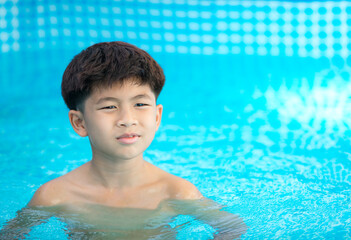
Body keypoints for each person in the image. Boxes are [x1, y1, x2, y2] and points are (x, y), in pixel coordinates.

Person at [1, 41, 246, 239]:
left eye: (140, 104)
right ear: (79, 123)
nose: (127, 119)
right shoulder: (56, 195)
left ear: (157, 116)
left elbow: (233, 227)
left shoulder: (175, 192)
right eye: (109, 106)